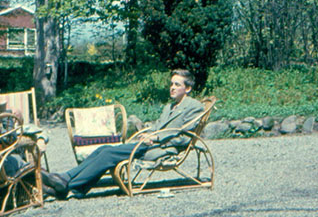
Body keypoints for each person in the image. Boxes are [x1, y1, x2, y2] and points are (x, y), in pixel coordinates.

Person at [42, 69, 205, 199]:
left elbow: (184, 137)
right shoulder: (170, 107)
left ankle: (67, 185)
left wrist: (156, 138)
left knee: (108, 154)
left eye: (177, 84)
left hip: (162, 148)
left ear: (188, 88)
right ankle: (67, 179)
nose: (172, 87)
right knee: (104, 149)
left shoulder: (194, 107)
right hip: (149, 143)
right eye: (171, 84)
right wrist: (148, 133)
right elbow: (158, 126)